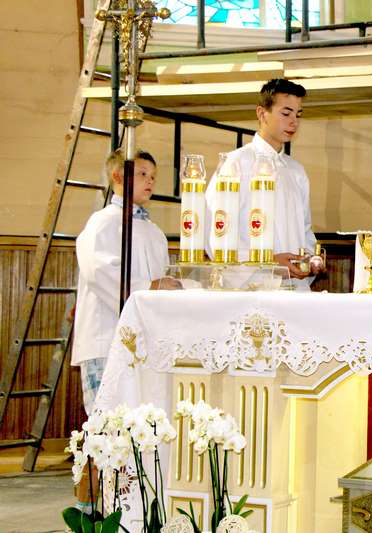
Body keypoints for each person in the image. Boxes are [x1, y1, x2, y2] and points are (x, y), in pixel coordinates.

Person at [71, 149, 181, 513]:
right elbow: (100, 274)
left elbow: (161, 281)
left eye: (153, 176)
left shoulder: (153, 232)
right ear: (118, 177)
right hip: (106, 340)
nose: (151, 181)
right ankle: (89, 509)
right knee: (104, 427)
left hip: (144, 345)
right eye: (143, 174)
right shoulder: (102, 224)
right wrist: (149, 286)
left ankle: (128, 509)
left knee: (137, 428)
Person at [205, 78, 322, 284]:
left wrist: (310, 259)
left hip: (294, 287)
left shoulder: (296, 171)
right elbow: (217, 230)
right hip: (253, 288)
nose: (294, 122)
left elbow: (304, 229)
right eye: (286, 113)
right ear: (262, 113)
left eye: (298, 114)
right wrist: (268, 263)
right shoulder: (236, 164)